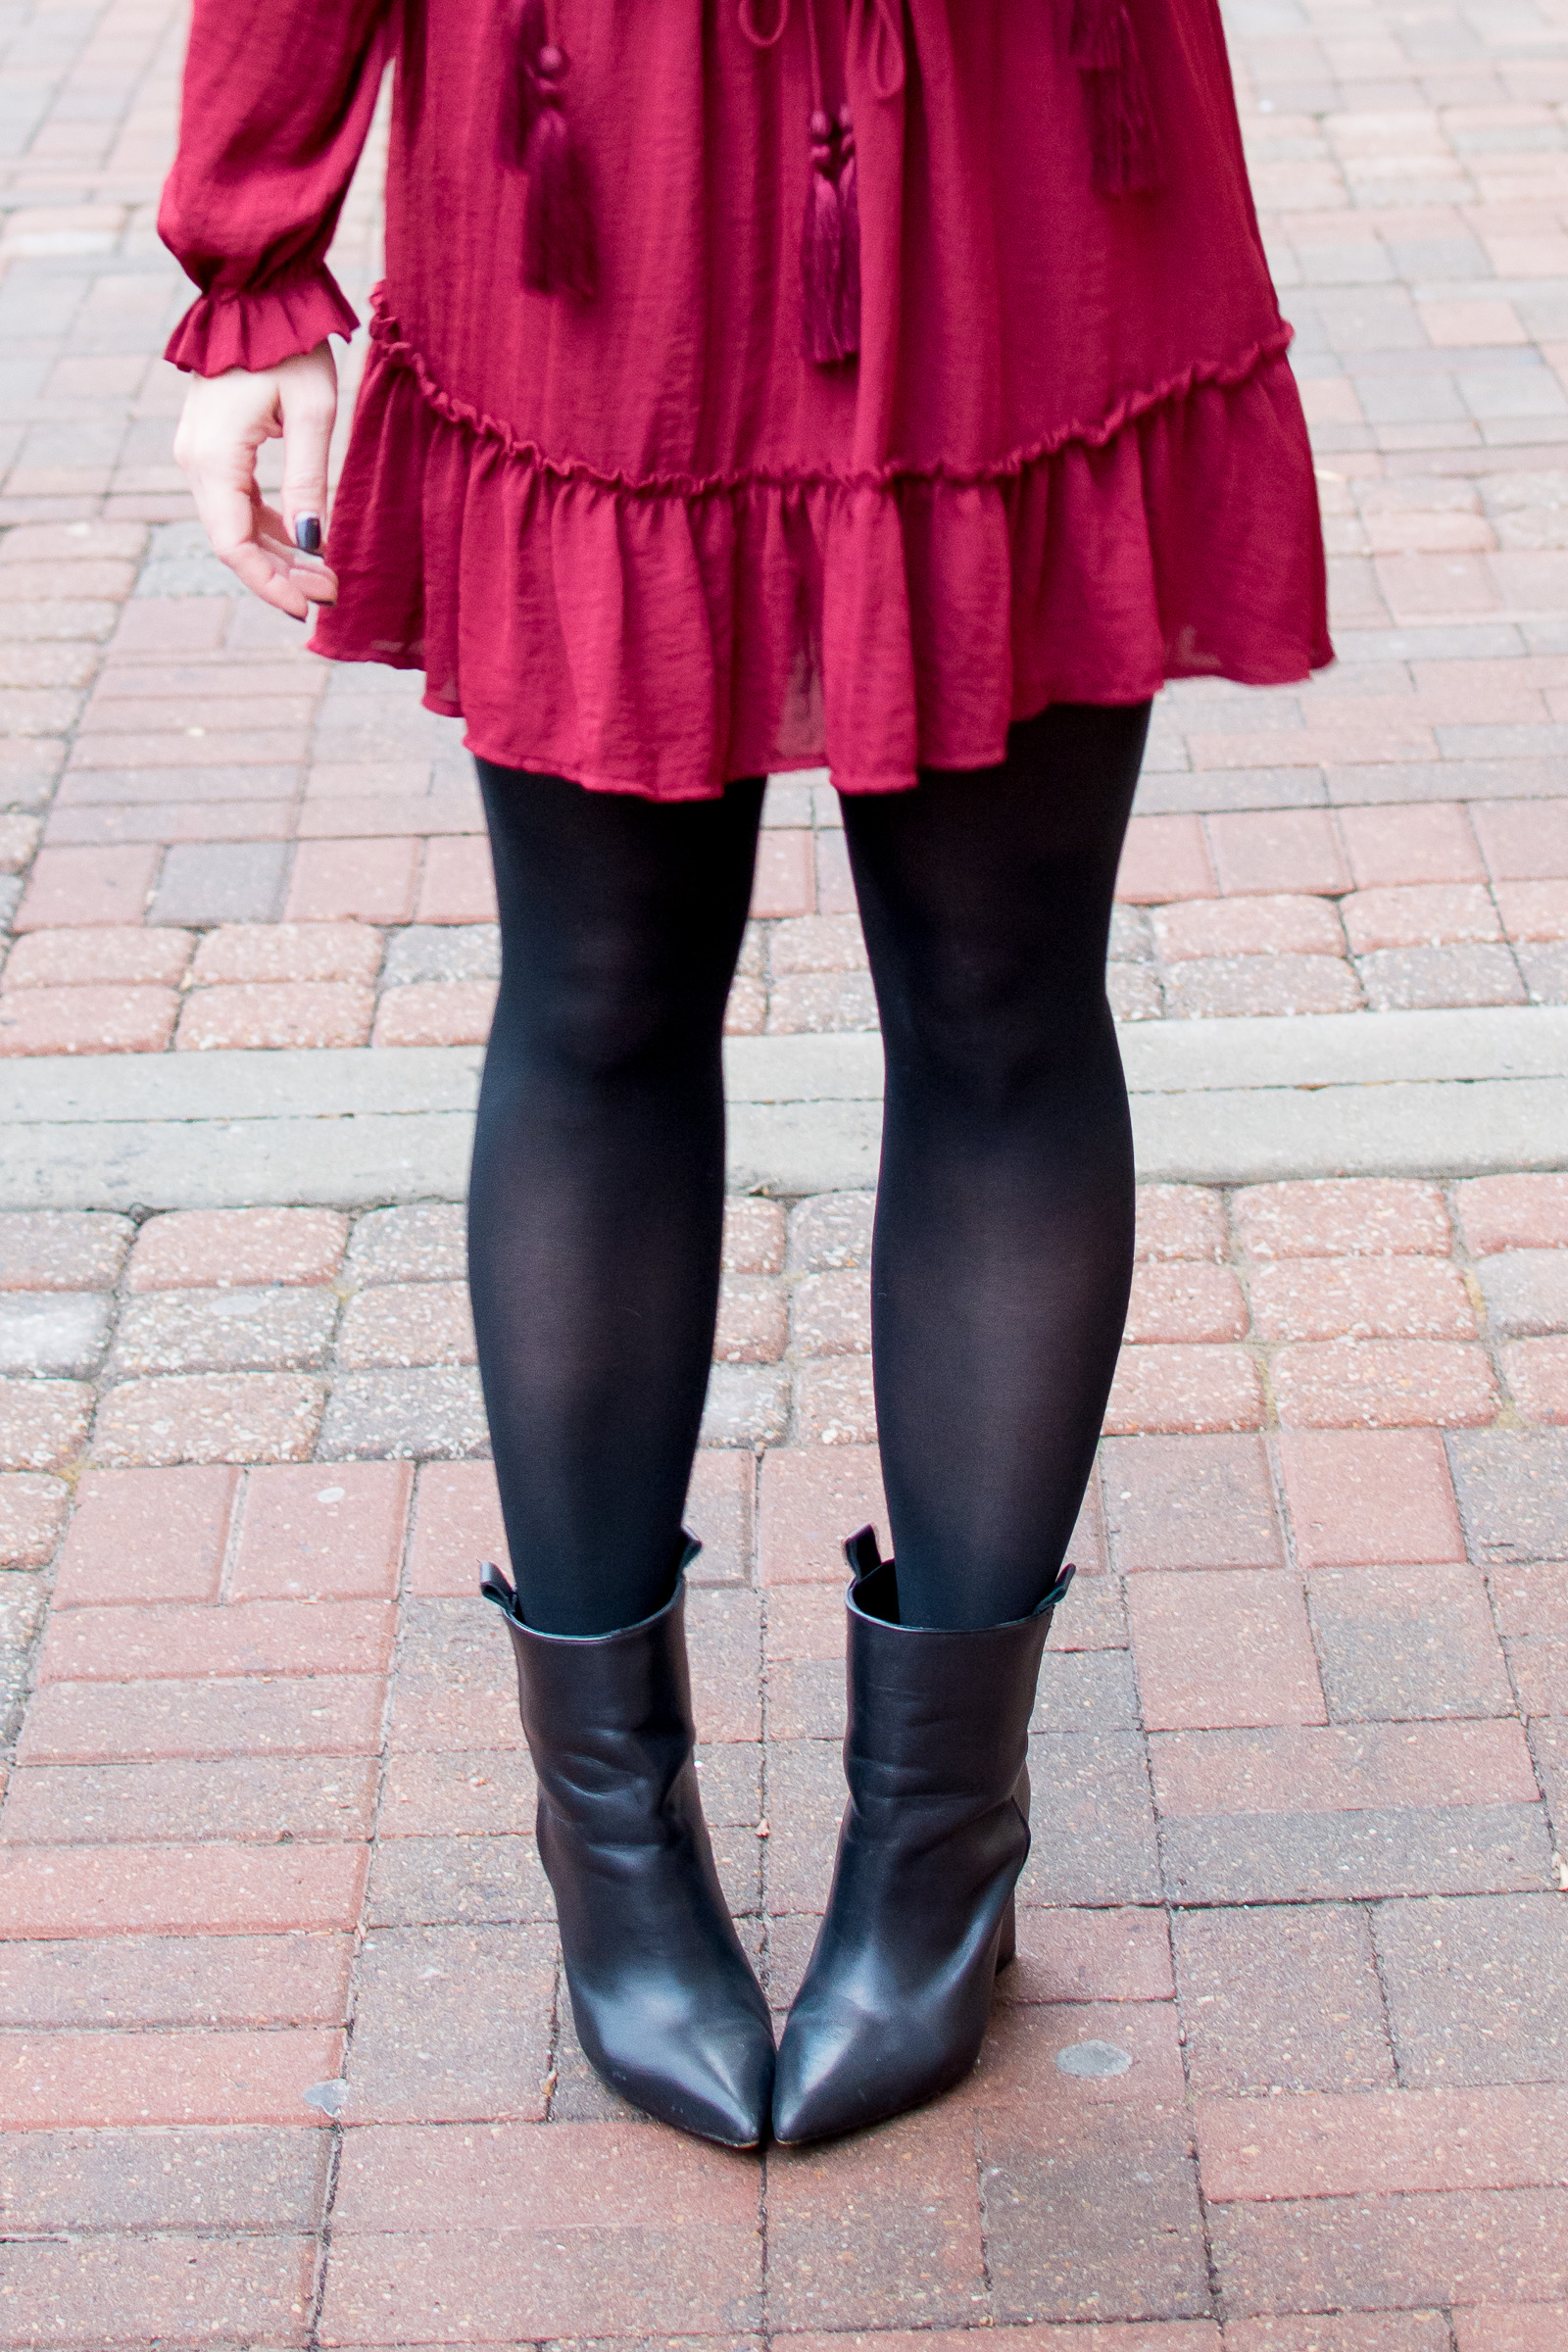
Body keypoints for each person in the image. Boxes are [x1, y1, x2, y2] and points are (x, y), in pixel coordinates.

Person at [162, 0, 1329, 2152]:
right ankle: (612, 1853)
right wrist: (255, 241)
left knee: (999, 1001)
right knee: (598, 995)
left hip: (1020, 158)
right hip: (599, 170)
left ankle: (937, 1858)